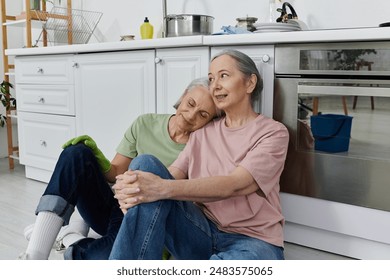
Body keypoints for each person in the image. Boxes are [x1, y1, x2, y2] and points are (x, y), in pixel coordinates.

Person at [110, 49, 289, 260]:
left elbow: (236, 184)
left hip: (252, 241)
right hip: (199, 231)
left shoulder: (272, 132)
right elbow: (171, 174)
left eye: (224, 75)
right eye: (212, 79)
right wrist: (133, 187)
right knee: (145, 164)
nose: (215, 85)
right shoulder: (202, 133)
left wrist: (158, 188)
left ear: (250, 83)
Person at [20, 77, 218, 260]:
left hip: (148, 220)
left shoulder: (203, 146)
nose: (191, 115)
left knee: (109, 259)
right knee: (76, 153)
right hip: (115, 207)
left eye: (203, 114)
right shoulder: (145, 123)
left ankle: (69, 238)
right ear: (183, 95)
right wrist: (100, 160)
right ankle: (35, 255)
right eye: (190, 103)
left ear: (210, 121)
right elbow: (116, 173)